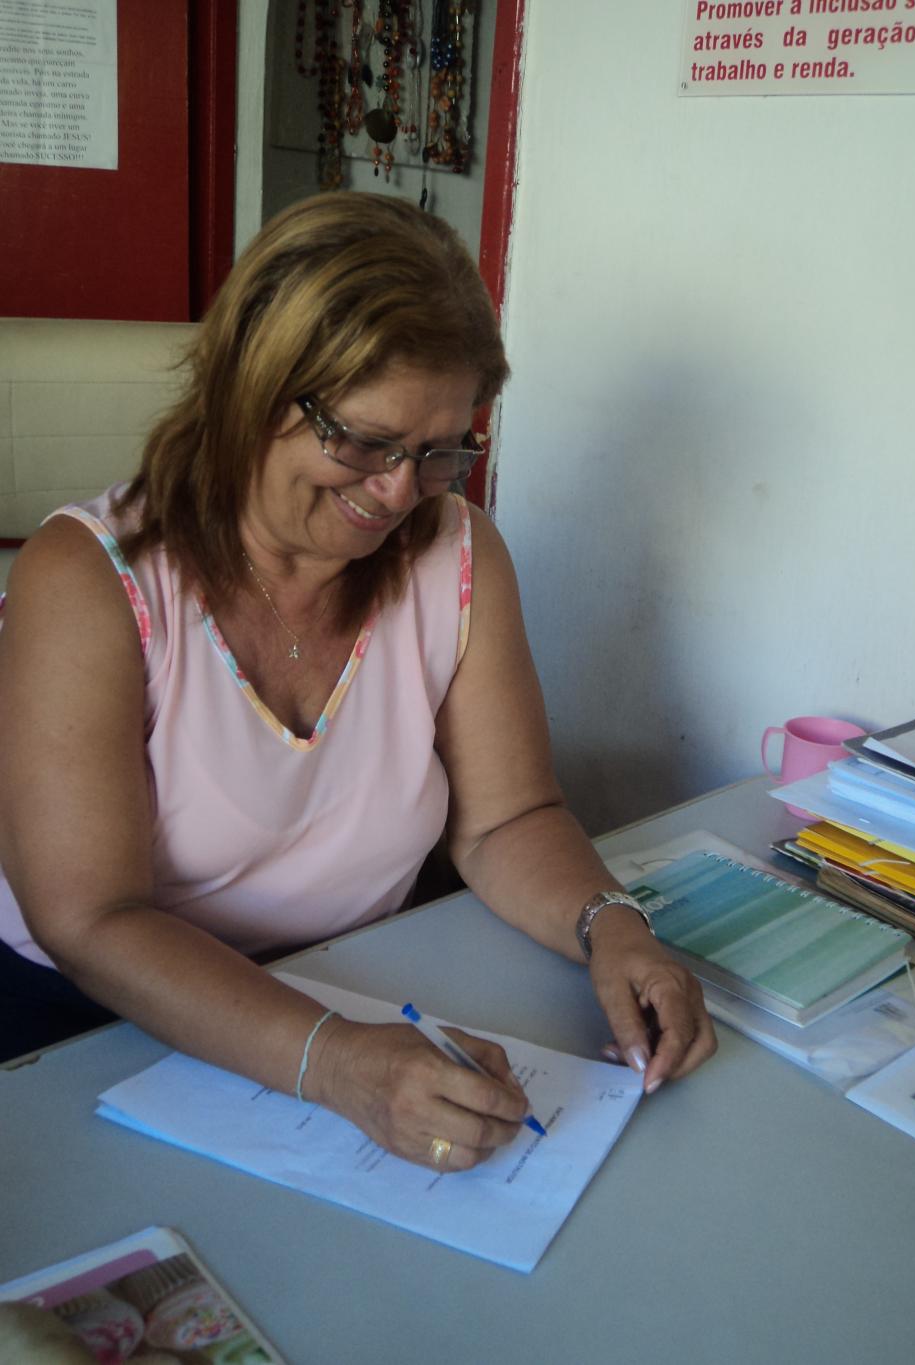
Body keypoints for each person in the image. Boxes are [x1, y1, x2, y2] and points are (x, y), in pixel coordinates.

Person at [0, 192, 715, 1168]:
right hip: (89, 1024)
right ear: (252, 390)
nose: (397, 492)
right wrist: (333, 1063)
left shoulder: (457, 554)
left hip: (359, 987)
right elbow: (91, 920)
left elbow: (507, 820)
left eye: (438, 452)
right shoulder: (89, 580)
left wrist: (613, 926)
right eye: (367, 443)